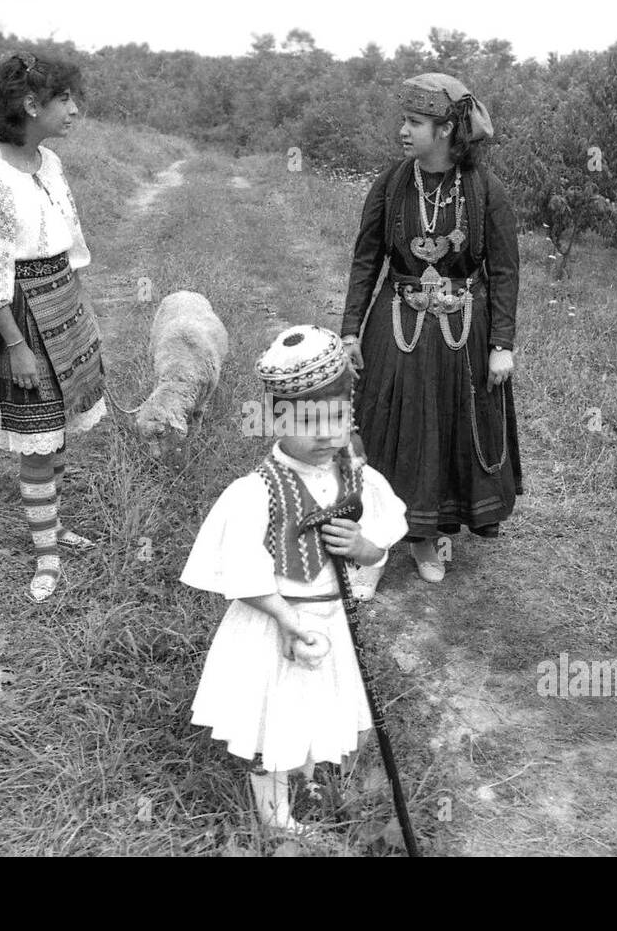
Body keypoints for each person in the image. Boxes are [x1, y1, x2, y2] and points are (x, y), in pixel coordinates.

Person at [181, 326, 408, 833]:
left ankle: (306, 773)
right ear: (276, 419)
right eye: (310, 422)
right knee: (275, 714)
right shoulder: (255, 492)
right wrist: (284, 618)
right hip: (278, 623)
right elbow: (244, 569)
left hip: (333, 618)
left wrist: (364, 548)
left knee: (318, 705)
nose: (328, 436)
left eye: (339, 420)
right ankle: (274, 816)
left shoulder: (358, 477)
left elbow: (382, 541)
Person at [341, 73, 523, 586]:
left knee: (447, 432)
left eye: (415, 122)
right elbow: (366, 260)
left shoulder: (486, 190)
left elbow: (505, 272)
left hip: (465, 334)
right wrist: (351, 329)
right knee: (396, 429)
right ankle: (392, 539)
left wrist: (502, 345)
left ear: (445, 129)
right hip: (396, 327)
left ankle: (434, 528)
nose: (403, 131)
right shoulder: (391, 183)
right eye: (404, 120)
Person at [0, 53, 105, 604]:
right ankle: (46, 555)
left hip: (64, 299)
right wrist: (16, 346)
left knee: (61, 423)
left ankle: (54, 525)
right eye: (65, 99)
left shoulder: (49, 163)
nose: (74, 110)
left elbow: (65, 241)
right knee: (36, 439)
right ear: (30, 105)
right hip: (21, 315)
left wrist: (78, 307)